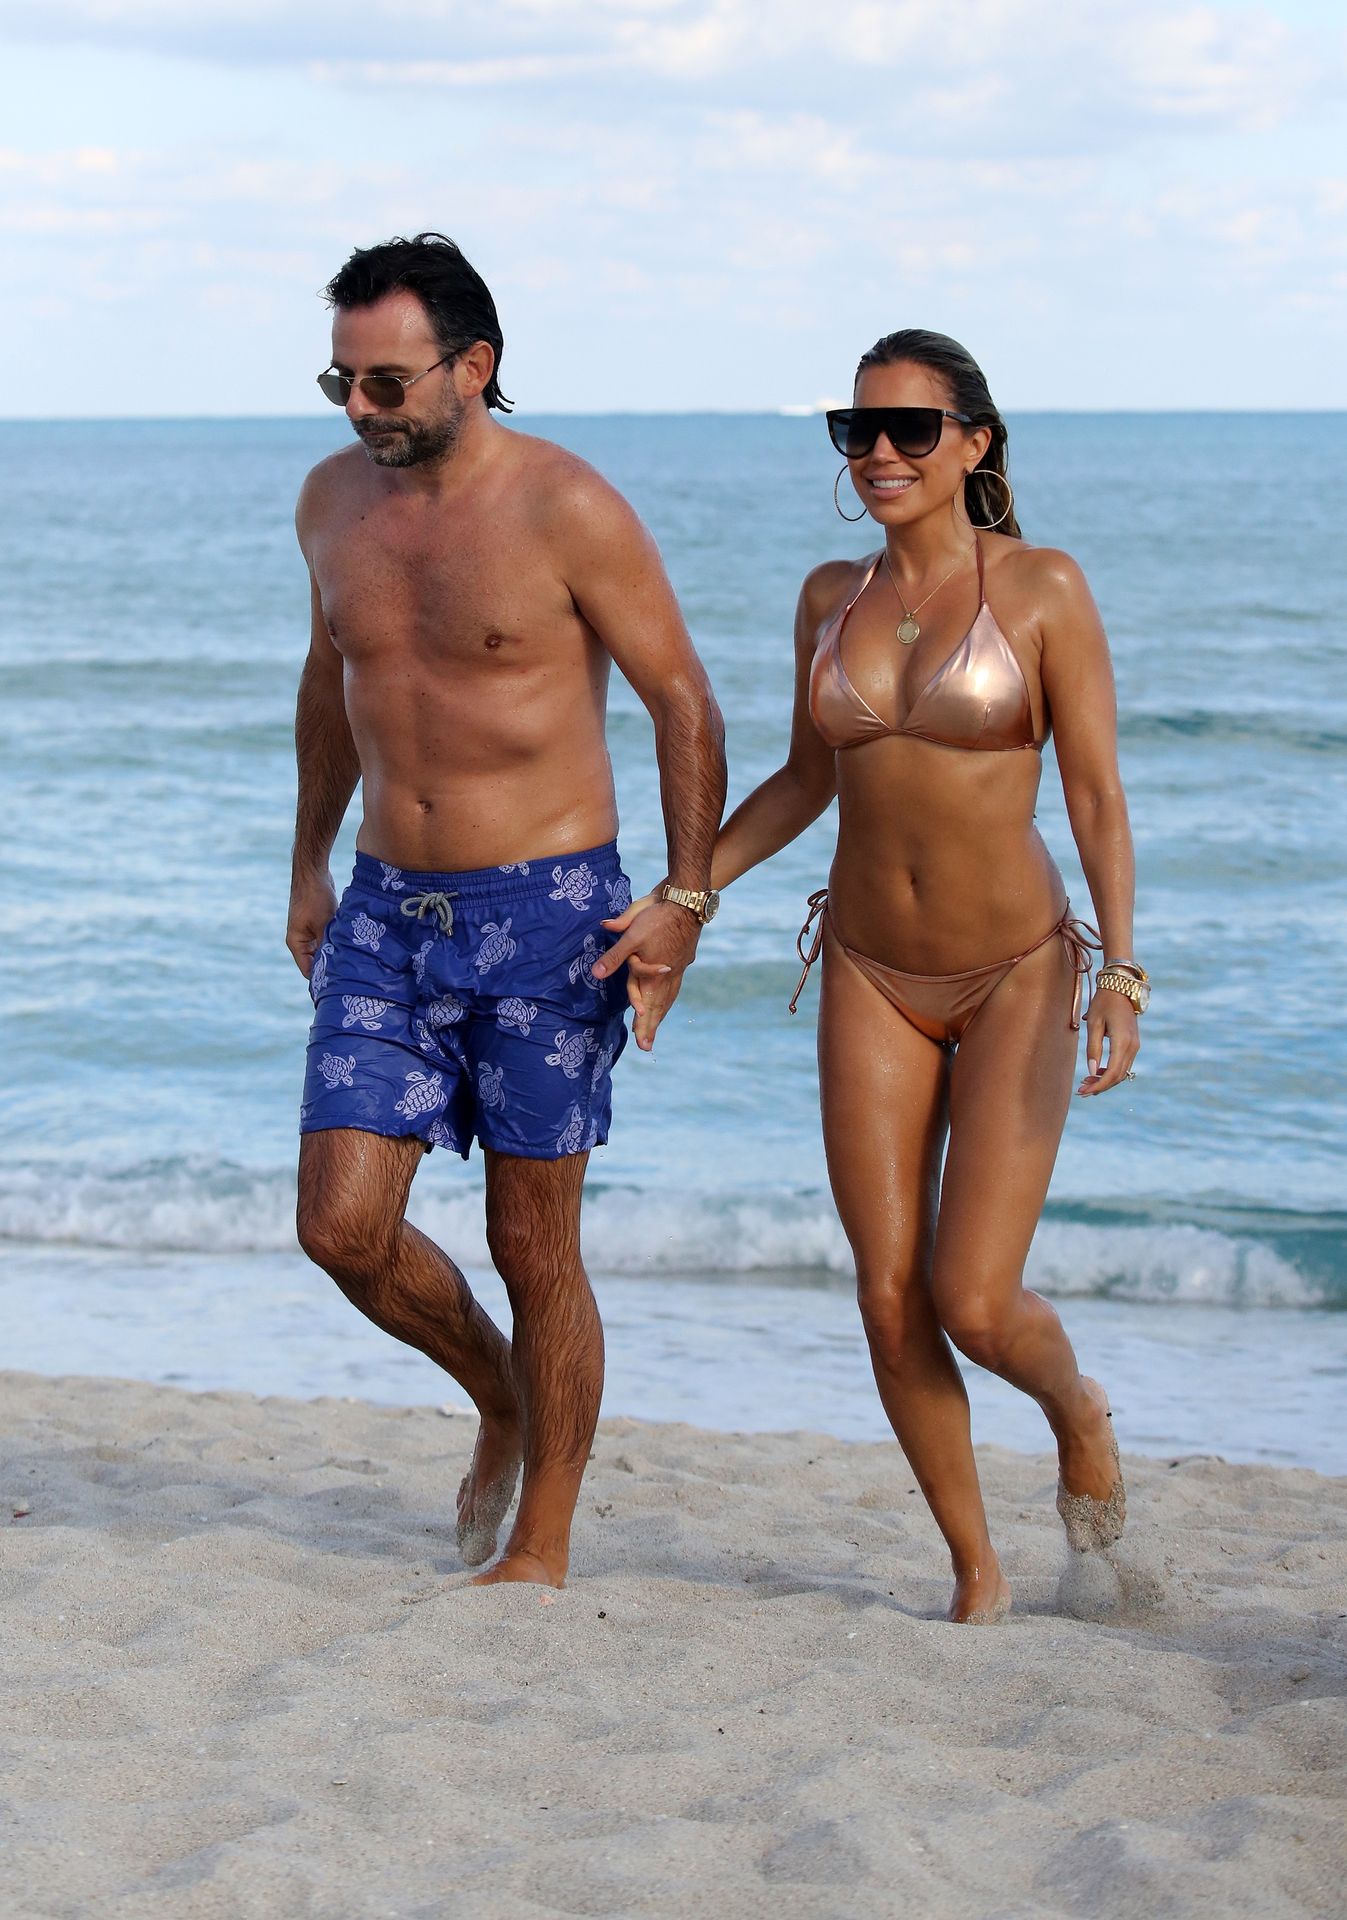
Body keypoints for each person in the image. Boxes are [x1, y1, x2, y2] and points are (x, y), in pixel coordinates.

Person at [606, 329, 1147, 1623]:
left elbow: (1095, 796)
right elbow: (807, 779)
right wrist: (688, 895)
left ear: (975, 442)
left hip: (1017, 972)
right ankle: (976, 1571)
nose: (882, 452)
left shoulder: (1045, 588)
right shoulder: (827, 598)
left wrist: (1122, 972)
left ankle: (1076, 1409)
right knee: (889, 1295)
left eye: (911, 429)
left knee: (975, 1301)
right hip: (869, 969)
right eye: (860, 429)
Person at [287, 233, 726, 1589]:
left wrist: (686, 898)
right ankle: (500, 1398)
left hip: (549, 915)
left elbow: (682, 700)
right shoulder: (329, 502)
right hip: (383, 911)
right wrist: (307, 863)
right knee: (340, 1229)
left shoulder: (566, 507)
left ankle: (543, 1539)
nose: (361, 408)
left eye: (387, 382)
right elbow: (333, 681)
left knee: (533, 1244)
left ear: (474, 365)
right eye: (341, 382)